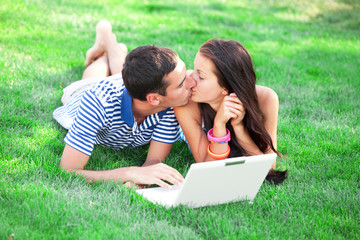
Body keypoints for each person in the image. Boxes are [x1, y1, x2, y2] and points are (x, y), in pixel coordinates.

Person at [53, 20, 196, 188]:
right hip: (83, 94)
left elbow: (154, 161)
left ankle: (109, 40)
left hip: (130, 90)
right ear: (154, 99)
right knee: (92, 79)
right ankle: (106, 42)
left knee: (125, 72)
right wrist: (129, 173)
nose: (192, 81)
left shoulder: (171, 105)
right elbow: (68, 170)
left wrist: (141, 180)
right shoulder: (96, 102)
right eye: (181, 83)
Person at [174, 39, 287, 184]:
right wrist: (219, 125)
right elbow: (206, 167)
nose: (189, 81)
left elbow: (268, 167)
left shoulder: (266, 99)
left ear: (225, 89)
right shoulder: (187, 100)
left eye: (201, 76)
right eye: (194, 69)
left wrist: (239, 128)